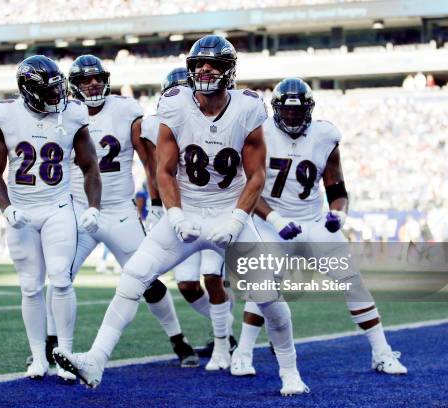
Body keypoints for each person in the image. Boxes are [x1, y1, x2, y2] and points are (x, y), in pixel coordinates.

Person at [54, 35, 297, 394]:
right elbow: (163, 171)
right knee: (135, 275)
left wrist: (237, 220)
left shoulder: (247, 106)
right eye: (199, 64)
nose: (205, 69)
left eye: (213, 64)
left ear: (229, 70)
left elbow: (257, 174)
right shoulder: (175, 103)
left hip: (229, 213)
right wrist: (176, 214)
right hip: (188, 214)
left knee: (269, 299)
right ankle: (96, 360)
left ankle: (290, 372)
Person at [231, 78, 407, 384]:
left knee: (353, 281)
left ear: (310, 111)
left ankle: (382, 352)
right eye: (287, 112)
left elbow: (337, 189)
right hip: (271, 222)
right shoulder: (260, 134)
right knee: (263, 286)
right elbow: (246, 190)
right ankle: (243, 353)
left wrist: (339, 215)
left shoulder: (326, 135)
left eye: (298, 113)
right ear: (276, 111)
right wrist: (274, 220)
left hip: (312, 223)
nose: (293, 118)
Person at [46, 54, 198, 367]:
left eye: (98, 77)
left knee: (147, 278)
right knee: (60, 277)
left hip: (120, 211)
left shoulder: (126, 109)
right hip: (78, 210)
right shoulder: (64, 113)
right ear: (74, 86)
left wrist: (157, 205)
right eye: (86, 79)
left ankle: (178, 339)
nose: (94, 83)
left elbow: (149, 161)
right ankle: (54, 345)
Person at [0, 55, 102, 381]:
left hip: (58, 208)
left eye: (57, 89)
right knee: (30, 287)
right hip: (21, 210)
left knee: (61, 278)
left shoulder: (73, 113)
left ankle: (64, 353)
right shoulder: (5, 115)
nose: (57, 96)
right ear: (30, 91)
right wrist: (7, 208)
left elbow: (90, 165)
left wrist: (93, 205)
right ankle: (38, 357)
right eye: (49, 91)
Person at [140, 67, 237, 353]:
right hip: (179, 214)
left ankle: (225, 341)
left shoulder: (222, 120)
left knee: (212, 276)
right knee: (187, 286)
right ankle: (228, 328)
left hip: (214, 208)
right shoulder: (153, 126)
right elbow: (154, 170)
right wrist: (158, 207)